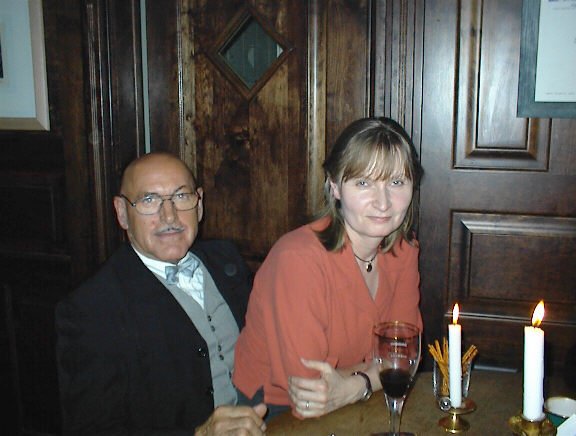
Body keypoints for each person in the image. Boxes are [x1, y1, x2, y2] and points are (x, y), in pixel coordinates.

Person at [55, 152, 267, 435]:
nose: (169, 216)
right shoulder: (91, 308)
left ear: (199, 204)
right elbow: (92, 429)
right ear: (122, 213)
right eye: (149, 200)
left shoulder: (225, 259)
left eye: (181, 197)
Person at [233, 117, 423, 419]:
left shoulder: (403, 250)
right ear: (335, 186)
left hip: (357, 397)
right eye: (363, 183)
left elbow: (405, 358)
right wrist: (377, 370)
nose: (383, 202)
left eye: (396, 182)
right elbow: (309, 391)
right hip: (273, 411)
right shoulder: (298, 259)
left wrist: (357, 384)